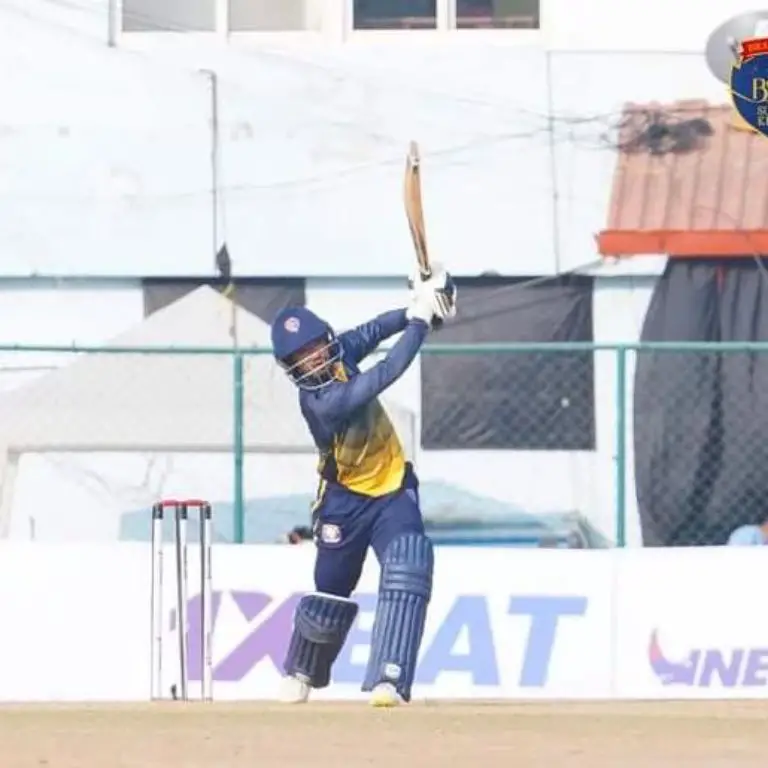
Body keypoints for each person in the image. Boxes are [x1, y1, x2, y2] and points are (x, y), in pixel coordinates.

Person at [269, 265, 456, 707]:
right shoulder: (322, 402)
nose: (313, 360)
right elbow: (387, 371)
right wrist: (420, 321)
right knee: (331, 588)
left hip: (391, 489)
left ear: (327, 341)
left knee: (409, 565)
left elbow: (374, 331)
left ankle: (389, 678)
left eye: (315, 348)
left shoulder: (341, 353)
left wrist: (418, 305)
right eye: (301, 359)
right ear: (291, 368)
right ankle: (302, 671)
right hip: (343, 501)